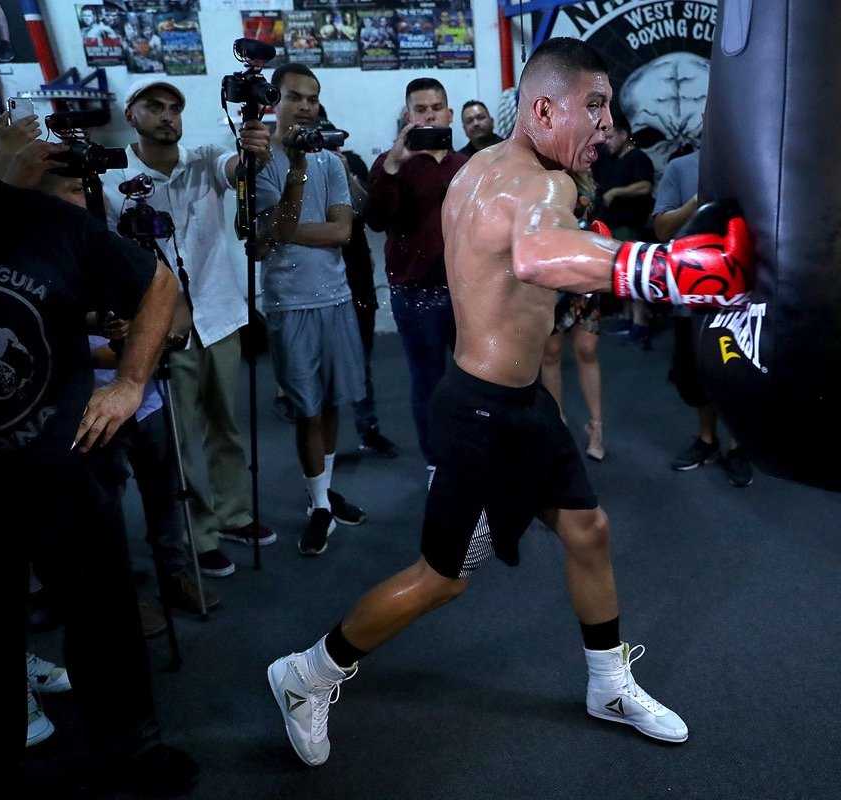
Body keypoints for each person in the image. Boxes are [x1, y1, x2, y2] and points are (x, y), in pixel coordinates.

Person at [266, 36, 753, 766]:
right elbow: (534, 253)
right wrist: (663, 268)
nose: (606, 124)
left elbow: (527, 263)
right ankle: (308, 674)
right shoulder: (539, 187)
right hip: (486, 418)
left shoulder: (484, 167)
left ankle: (607, 682)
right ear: (543, 107)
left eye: (609, 106)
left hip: (517, 405)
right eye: (593, 106)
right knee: (441, 580)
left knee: (588, 529)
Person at [0, 123, 199, 794]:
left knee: (104, 620)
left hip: (62, 464)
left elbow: (156, 286)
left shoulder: (46, 221)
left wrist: (130, 384)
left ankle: (130, 746)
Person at [104, 77, 277, 580]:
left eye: (174, 107)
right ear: (131, 114)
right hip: (160, 327)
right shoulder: (114, 179)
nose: (166, 116)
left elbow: (237, 166)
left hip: (219, 313)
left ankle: (234, 514)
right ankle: (196, 530)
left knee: (226, 422)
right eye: (153, 106)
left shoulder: (203, 158)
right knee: (181, 435)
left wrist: (255, 148)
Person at [258, 63, 368, 557]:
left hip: (336, 296)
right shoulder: (259, 162)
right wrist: (287, 228)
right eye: (295, 96)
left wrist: (285, 230)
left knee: (332, 401)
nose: (305, 105)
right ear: (274, 101)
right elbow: (265, 236)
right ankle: (318, 503)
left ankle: (323, 494)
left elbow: (342, 231)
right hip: (290, 301)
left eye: (312, 98)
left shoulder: (331, 162)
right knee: (306, 409)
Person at [364, 78, 468, 479]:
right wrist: (392, 165)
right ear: (408, 115)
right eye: (421, 109)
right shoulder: (392, 164)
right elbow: (375, 220)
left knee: (471, 377)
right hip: (415, 290)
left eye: (436, 108)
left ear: (449, 113)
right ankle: (435, 462)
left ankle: (467, 454)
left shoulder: (467, 165)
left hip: (466, 289)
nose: (429, 115)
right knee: (427, 380)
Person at [653, 147, 754, 488]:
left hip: (743, 296)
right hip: (693, 294)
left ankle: (740, 446)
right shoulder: (680, 168)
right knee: (697, 375)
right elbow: (662, 229)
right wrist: (695, 204)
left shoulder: (753, 163)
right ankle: (707, 440)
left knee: (740, 373)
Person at [318, 104, 399, 459]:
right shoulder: (294, 170)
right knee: (321, 365)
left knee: (362, 357)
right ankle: (322, 447)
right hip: (315, 278)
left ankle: (369, 428)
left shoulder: (348, 162)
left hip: (356, 276)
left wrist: (344, 169)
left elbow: (366, 211)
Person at [541, 169, 606, 460]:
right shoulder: (539, 175)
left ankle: (596, 428)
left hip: (584, 270)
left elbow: (600, 220)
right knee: (551, 352)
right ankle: (558, 426)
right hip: (551, 272)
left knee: (588, 349)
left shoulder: (587, 172)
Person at [592, 119, 654, 342]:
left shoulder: (637, 158)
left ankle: (640, 323)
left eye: (609, 137)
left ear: (624, 134)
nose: (606, 142)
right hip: (615, 224)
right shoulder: (615, 160)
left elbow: (645, 186)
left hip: (630, 225)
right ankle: (627, 318)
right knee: (623, 275)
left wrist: (617, 192)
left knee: (634, 274)